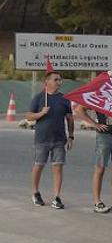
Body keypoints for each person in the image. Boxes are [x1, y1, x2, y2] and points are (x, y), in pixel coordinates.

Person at [73, 98, 112, 213]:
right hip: (105, 136)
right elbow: (79, 109)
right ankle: (97, 201)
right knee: (100, 168)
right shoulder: (100, 97)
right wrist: (95, 124)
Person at [28, 70, 73, 209]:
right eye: (56, 79)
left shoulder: (64, 98)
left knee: (58, 167)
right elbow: (29, 116)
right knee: (39, 165)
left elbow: (70, 119)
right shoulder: (39, 98)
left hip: (59, 139)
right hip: (42, 139)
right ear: (46, 82)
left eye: (60, 80)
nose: (59, 82)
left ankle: (57, 197)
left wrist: (71, 136)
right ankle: (35, 192)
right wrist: (41, 113)